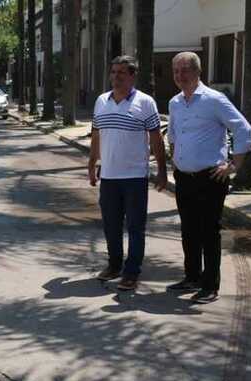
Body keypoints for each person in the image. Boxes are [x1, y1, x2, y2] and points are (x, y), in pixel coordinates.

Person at [166, 52, 251, 304]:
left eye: (185, 70)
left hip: (210, 177)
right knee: (188, 230)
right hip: (184, 177)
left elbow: (242, 127)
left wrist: (234, 164)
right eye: (176, 71)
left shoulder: (214, 100)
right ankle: (191, 276)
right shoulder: (175, 103)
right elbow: (172, 133)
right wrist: (175, 157)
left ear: (197, 72)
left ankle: (209, 285)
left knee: (208, 232)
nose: (180, 76)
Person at [87, 55, 168, 290]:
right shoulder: (101, 101)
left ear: (133, 75)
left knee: (135, 227)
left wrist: (162, 171)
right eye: (113, 72)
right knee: (111, 225)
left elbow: (156, 140)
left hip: (135, 177)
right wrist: (92, 164)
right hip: (109, 177)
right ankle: (114, 265)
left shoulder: (145, 103)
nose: (116, 77)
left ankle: (131, 272)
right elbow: (96, 136)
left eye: (121, 73)